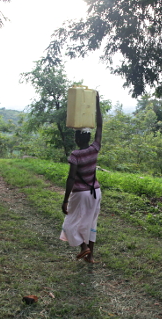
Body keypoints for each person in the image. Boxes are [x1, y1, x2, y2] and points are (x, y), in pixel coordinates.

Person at [60, 92, 103, 263]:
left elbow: (71, 178)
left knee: (72, 223)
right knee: (91, 223)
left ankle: (84, 248)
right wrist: (97, 104)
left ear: (77, 138)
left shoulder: (75, 155)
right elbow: (100, 125)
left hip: (80, 193)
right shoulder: (95, 148)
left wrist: (65, 200)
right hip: (96, 191)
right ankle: (89, 257)